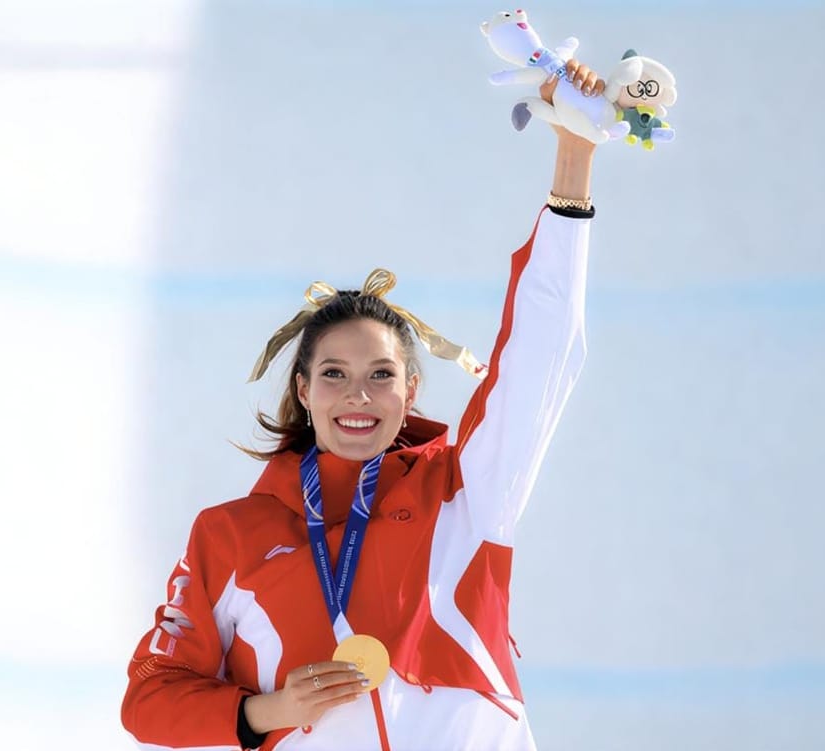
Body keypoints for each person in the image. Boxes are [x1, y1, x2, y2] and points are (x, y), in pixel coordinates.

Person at [121, 59, 607, 751]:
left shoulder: (467, 491)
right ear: (303, 390)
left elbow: (541, 357)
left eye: (382, 374)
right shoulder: (229, 535)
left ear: (412, 389)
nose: (358, 394)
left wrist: (575, 159)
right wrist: (268, 709)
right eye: (335, 373)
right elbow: (149, 700)